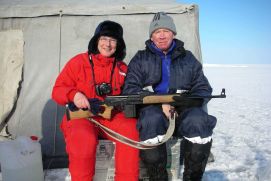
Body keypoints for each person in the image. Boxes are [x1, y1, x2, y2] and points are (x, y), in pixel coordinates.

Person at [122, 12, 217, 181]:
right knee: (150, 120)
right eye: (157, 32)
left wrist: (184, 102)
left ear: (173, 33)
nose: (162, 35)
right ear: (151, 37)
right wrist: (161, 103)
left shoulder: (188, 58)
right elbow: (130, 89)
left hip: (184, 111)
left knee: (199, 121)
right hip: (153, 111)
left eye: (166, 31)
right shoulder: (140, 59)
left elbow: (203, 88)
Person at [52, 20, 139, 181]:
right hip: (82, 116)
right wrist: (74, 95)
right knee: (83, 138)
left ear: (118, 44)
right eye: (104, 38)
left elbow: (131, 92)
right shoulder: (78, 62)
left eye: (113, 40)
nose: (108, 44)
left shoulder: (122, 68)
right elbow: (57, 90)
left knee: (132, 129)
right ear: (96, 40)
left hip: (111, 116)